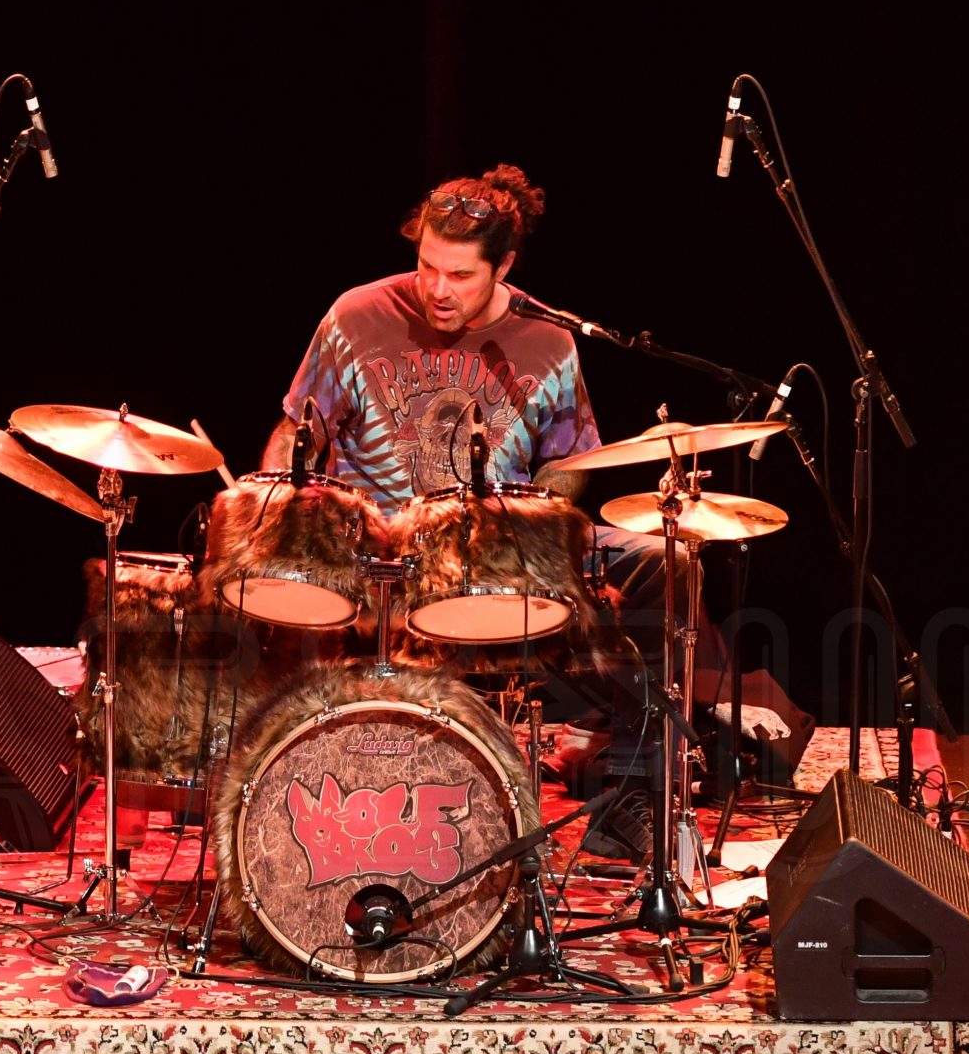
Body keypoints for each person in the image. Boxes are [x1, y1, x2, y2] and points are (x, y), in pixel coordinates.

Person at [260, 166, 697, 797]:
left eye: (460, 275)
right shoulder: (355, 317)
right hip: (379, 560)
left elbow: (567, 466)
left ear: (504, 267)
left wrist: (525, 522)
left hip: (498, 558)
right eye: (426, 266)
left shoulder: (549, 342)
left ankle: (629, 783)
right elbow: (297, 430)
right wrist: (277, 506)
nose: (438, 289)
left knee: (664, 557)